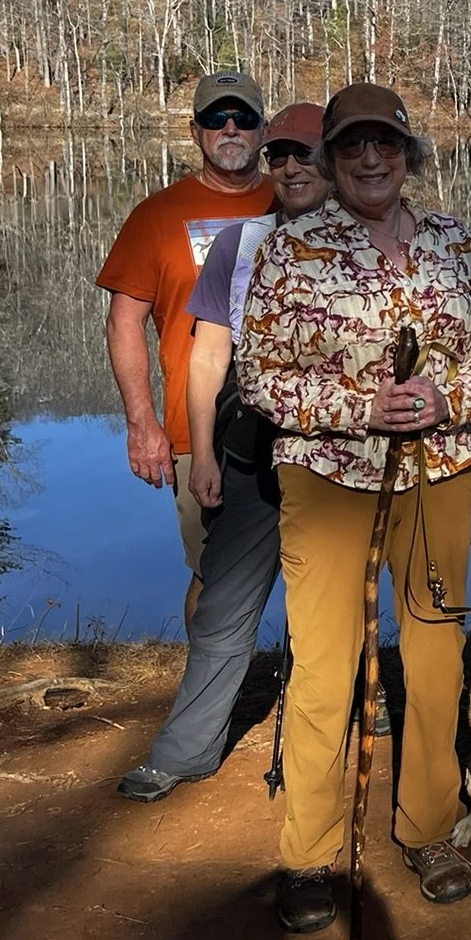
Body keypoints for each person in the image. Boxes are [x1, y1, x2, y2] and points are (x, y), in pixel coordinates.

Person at [237, 84, 471, 933]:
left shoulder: (452, 241)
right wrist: (360, 406)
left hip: (440, 469)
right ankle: (310, 854)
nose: (368, 160)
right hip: (328, 478)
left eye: (383, 144)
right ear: (329, 158)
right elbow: (260, 377)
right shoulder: (292, 250)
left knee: (431, 660)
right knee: (325, 665)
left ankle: (427, 829)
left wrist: (445, 398)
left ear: (407, 152)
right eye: (351, 146)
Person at [116, 102, 330, 803]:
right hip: (251, 455)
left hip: (339, 459)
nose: (293, 168)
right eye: (283, 157)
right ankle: (187, 749)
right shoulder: (241, 243)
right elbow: (208, 358)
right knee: (224, 605)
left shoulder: (368, 243)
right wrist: (200, 451)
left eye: (309, 156)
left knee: (331, 600)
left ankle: (344, 716)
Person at [97, 71, 273, 629]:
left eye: (243, 118)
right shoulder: (155, 215)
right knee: (212, 571)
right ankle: (207, 697)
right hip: (198, 430)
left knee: (319, 571)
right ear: (194, 132)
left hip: (305, 426)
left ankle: (310, 697)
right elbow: (124, 322)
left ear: (262, 131)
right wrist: (141, 423)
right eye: (216, 119)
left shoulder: (297, 198)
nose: (230, 129)